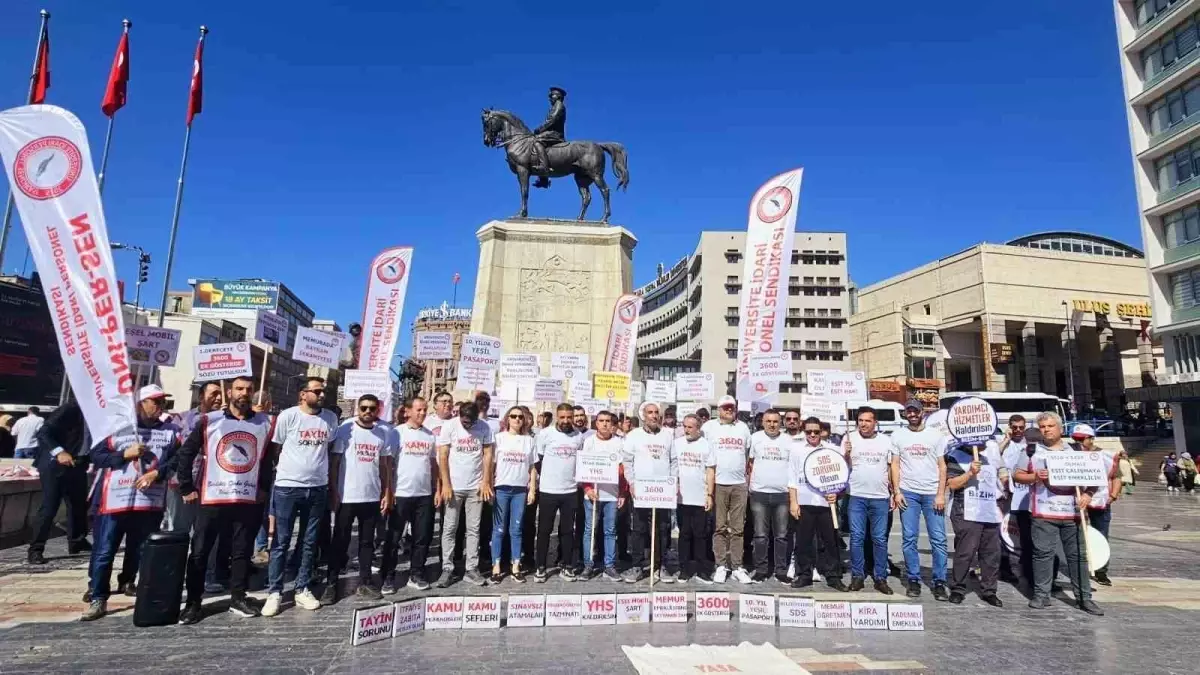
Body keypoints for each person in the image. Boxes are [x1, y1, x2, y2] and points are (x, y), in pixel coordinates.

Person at [176, 376, 274, 624]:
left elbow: (265, 459)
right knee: (199, 552)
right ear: (229, 392)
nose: (244, 393)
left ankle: (238, 597)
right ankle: (193, 603)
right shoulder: (210, 421)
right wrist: (187, 487)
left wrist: (263, 487)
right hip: (213, 497)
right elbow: (186, 454)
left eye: (248, 390)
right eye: (239, 389)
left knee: (241, 552)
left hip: (247, 498)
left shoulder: (264, 423)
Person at [81, 385, 182, 621]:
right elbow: (96, 456)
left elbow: (178, 459)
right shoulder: (116, 429)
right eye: (155, 402)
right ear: (140, 404)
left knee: (141, 548)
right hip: (115, 499)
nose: (160, 407)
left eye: (162, 402)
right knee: (105, 550)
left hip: (148, 502)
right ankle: (98, 595)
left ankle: (129, 580)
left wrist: (158, 474)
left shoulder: (171, 432)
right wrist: (123, 455)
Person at [262, 377, 339, 616]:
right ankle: (274, 592)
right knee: (281, 541)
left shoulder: (330, 418)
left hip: (317, 487)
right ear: (303, 394)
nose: (322, 395)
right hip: (288, 487)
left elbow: (329, 449)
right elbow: (276, 449)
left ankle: (302, 587)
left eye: (323, 391)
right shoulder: (288, 416)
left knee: (309, 541)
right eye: (316, 391)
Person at [1014, 412, 1103, 615]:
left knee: (1077, 556)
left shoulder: (1076, 450)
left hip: (1072, 513)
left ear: (1061, 428)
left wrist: (1088, 494)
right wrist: (1034, 476)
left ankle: (1084, 598)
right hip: (1044, 512)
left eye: (1050, 426)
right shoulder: (1031, 450)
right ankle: (1041, 595)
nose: (1046, 429)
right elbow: (1017, 475)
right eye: (1043, 426)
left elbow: (1095, 477)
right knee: (1042, 554)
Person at [322, 394, 393, 604]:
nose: (367, 412)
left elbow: (384, 466)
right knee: (340, 542)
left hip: (371, 496)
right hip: (347, 496)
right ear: (357, 408)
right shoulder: (346, 429)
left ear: (377, 411)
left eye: (372, 409)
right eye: (364, 408)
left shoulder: (382, 434)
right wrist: (333, 490)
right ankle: (331, 583)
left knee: (367, 542)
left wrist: (386, 492)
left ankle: (365, 581)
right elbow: (334, 463)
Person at [890, 401, 949, 600]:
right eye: (909, 411)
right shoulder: (898, 435)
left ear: (922, 412)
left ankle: (939, 581)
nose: (913, 414)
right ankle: (913, 578)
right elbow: (895, 465)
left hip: (932, 493)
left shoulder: (935, 435)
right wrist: (897, 491)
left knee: (939, 539)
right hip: (909, 493)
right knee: (909, 538)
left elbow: (942, 466)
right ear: (905, 413)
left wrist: (941, 493)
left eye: (916, 410)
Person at [381, 397, 438, 593]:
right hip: (401, 493)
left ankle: (417, 573)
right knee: (394, 538)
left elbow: (433, 464)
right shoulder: (397, 433)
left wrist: (436, 488)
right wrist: (389, 491)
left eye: (425, 410)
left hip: (424, 495)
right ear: (408, 411)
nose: (422, 413)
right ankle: (388, 576)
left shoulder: (430, 435)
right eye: (419, 410)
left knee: (421, 537)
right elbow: (388, 464)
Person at [436, 401, 495, 587]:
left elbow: (487, 455)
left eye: (471, 423)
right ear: (458, 414)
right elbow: (443, 456)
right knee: (449, 528)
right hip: (454, 486)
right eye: (464, 422)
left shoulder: (484, 428)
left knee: (473, 529)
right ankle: (447, 568)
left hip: (475, 487)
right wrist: (446, 484)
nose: (468, 426)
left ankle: (471, 568)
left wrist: (486, 481)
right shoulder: (449, 426)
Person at [787, 416, 849, 591]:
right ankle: (804, 574)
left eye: (816, 431)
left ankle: (833, 576)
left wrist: (837, 493)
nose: (813, 434)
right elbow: (792, 478)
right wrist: (793, 502)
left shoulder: (832, 449)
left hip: (825, 503)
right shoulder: (796, 449)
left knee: (830, 541)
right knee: (803, 541)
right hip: (804, 501)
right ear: (803, 431)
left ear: (822, 431)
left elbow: (841, 473)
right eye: (809, 431)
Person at [26, 401, 91, 565]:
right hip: (54, 464)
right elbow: (43, 432)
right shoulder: (71, 408)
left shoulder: (98, 413)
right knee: (49, 506)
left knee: (78, 505)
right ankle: (36, 549)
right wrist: (59, 451)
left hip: (77, 462)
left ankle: (77, 541)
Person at [944, 438, 1006, 606]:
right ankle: (958, 588)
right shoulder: (956, 455)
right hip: (965, 509)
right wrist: (970, 473)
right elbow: (952, 484)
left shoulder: (992, 449)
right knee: (966, 551)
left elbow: (1002, 471)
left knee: (991, 552)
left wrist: (1005, 482)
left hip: (989, 508)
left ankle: (989, 590)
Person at [622, 402, 677, 582]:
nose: (654, 416)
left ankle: (660, 566)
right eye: (650, 412)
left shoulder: (668, 436)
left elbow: (674, 462)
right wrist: (631, 483)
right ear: (644, 415)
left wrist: (673, 483)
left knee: (662, 528)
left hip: (662, 491)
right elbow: (627, 462)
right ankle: (637, 566)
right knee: (638, 528)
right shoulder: (633, 436)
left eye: (656, 413)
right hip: (641, 490)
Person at [702, 395, 754, 584]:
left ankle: (738, 566)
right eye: (725, 407)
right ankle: (721, 565)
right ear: (719, 409)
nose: (728, 410)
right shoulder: (708, 428)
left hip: (739, 484)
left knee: (738, 528)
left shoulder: (743, 427)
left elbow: (748, 455)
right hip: (718, 484)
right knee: (719, 527)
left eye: (731, 407)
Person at [845, 407, 895, 594]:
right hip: (857, 496)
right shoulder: (849, 439)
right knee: (856, 538)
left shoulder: (885, 441)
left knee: (879, 539)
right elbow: (843, 467)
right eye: (860, 420)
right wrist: (846, 454)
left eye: (867, 420)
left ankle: (880, 577)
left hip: (880, 497)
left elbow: (891, 467)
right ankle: (857, 576)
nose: (863, 424)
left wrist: (893, 491)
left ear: (875, 423)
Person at [533, 403, 584, 582]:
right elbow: (537, 461)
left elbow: (581, 461)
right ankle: (541, 566)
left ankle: (567, 565)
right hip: (548, 490)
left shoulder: (578, 436)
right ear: (556, 416)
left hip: (570, 491)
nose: (566, 421)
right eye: (562, 417)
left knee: (568, 530)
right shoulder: (545, 434)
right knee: (544, 530)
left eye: (569, 417)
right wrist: (547, 476)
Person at [165, 382, 224, 534]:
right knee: (178, 531)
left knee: (203, 535)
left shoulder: (225, 421)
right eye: (214, 394)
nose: (218, 398)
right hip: (182, 485)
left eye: (221, 394)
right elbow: (171, 451)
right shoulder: (182, 419)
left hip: (211, 487)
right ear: (201, 397)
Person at [1070, 424, 1122, 587]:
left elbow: (1116, 476)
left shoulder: (1105, 456)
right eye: (1076, 439)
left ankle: (1101, 571)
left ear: (1091, 439)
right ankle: (1080, 568)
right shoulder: (1069, 454)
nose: (1078, 442)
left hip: (1100, 501)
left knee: (1101, 535)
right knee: (1077, 537)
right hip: (1077, 501)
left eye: (1081, 439)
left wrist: (1113, 495)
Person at [491, 405, 537, 583]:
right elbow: (491, 464)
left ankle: (515, 565)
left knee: (516, 529)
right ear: (507, 419)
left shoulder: (529, 441)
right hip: (501, 488)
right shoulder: (499, 439)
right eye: (513, 416)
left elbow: (532, 467)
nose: (517, 419)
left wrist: (531, 489)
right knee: (499, 530)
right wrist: (488, 485)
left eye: (520, 417)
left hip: (520, 490)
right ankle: (496, 566)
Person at [581, 410, 628, 581]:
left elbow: (623, 469)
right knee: (589, 530)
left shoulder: (619, 442)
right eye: (601, 421)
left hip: (612, 494)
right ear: (596, 423)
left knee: (610, 530)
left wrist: (623, 493)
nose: (605, 424)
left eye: (608, 421)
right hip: (593, 494)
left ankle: (609, 565)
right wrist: (587, 489)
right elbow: (583, 467)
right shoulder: (589, 442)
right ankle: (588, 564)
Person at [747, 409, 791, 583]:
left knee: (781, 535)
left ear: (780, 423)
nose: (772, 424)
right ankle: (761, 569)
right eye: (768, 421)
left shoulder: (788, 441)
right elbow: (749, 464)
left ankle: (781, 570)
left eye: (775, 421)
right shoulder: (755, 438)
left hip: (782, 494)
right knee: (760, 535)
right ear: (762, 422)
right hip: (759, 493)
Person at [672, 413, 715, 583]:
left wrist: (710, 495)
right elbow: (672, 467)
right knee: (684, 534)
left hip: (700, 497)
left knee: (701, 535)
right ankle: (684, 569)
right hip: (681, 498)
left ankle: (702, 570)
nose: (687, 430)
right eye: (685, 426)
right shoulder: (676, 444)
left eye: (690, 427)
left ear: (698, 428)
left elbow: (710, 471)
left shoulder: (706, 445)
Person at [1000, 416, 1034, 587]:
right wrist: (1006, 439)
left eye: (1021, 427)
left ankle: (1027, 569)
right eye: (1015, 427)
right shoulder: (1005, 442)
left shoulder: (1030, 443)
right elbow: (994, 457)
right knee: (1004, 532)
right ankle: (1004, 568)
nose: (1018, 431)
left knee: (1026, 534)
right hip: (1007, 494)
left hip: (1026, 496)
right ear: (1009, 427)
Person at [530, 86, 567, 187]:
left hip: (555, 135)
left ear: (558, 96)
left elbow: (551, 121)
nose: (550, 97)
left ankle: (544, 168)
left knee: (536, 141)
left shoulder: (559, 105)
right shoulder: (554, 106)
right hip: (550, 133)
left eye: (552, 95)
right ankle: (543, 179)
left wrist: (539, 130)